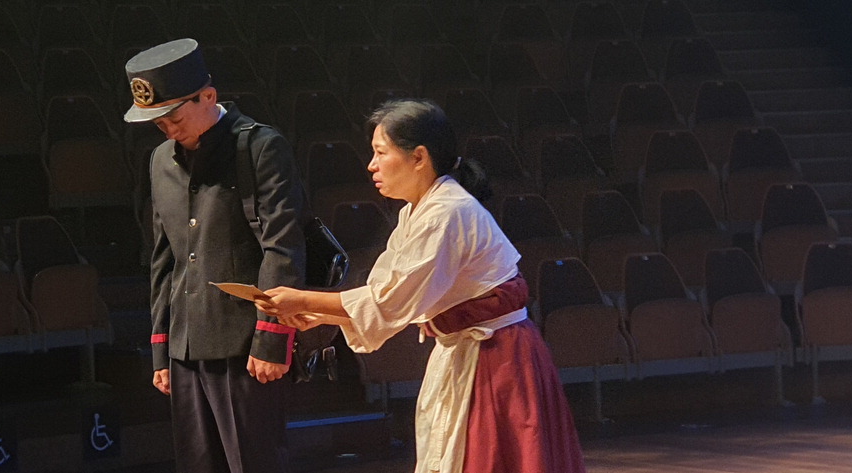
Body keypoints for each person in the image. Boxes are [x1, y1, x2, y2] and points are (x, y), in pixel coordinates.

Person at [255, 99, 587, 473]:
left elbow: (389, 300)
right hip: (469, 352)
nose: (371, 165)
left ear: (418, 157)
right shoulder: (419, 210)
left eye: (381, 153)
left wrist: (302, 299)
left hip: (497, 358)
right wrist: (320, 315)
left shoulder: (447, 212)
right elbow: (387, 290)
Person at [124, 38, 306, 473]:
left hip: (245, 345)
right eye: (158, 123)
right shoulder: (160, 161)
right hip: (186, 347)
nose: (168, 130)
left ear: (207, 96)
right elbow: (164, 259)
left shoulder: (259, 147)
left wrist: (271, 337)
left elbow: (282, 246)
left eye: (174, 118)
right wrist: (161, 349)